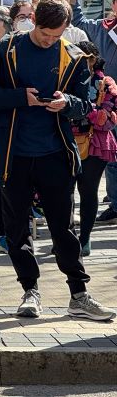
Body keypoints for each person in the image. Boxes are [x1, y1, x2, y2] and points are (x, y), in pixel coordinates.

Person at [0, 0, 114, 321]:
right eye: (45, 34)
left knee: (63, 227)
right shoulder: (6, 50)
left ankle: (79, 294)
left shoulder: (73, 55)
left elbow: (85, 104)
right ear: (34, 22)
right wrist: (21, 97)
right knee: (17, 229)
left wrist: (66, 103)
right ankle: (30, 290)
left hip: (55, 153)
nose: (49, 40)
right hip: (13, 154)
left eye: (56, 36)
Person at [71, 0, 117, 224]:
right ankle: (115, 204)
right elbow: (77, 20)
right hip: (106, 104)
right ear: (114, 4)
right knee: (112, 161)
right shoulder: (101, 28)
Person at [72, 40, 117, 256]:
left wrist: (80, 110)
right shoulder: (64, 79)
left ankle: (84, 238)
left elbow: (107, 118)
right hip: (66, 141)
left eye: (87, 59)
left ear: (95, 59)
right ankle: (67, 237)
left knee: (88, 191)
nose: (83, 63)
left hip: (96, 144)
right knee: (64, 192)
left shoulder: (105, 83)